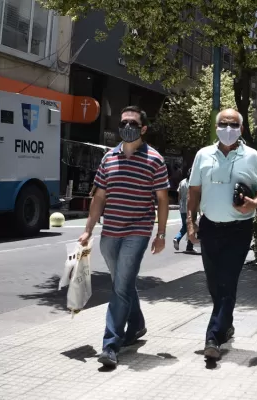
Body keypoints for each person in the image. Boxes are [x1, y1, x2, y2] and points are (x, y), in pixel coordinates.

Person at [79, 106, 170, 368]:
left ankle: (110, 344)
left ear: (143, 128)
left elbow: (162, 200)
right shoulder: (108, 158)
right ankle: (137, 325)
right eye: (123, 122)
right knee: (123, 282)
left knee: (119, 287)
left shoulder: (154, 159)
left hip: (138, 231)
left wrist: (160, 233)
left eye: (132, 122)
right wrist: (88, 229)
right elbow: (99, 197)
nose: (127, 126)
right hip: (110, 232)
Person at [186, 108, 257, 360]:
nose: (228, 129)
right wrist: (190, 223)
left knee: (227, 282)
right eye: (223, 124)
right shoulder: (203, 155)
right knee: (214, 283)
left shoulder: (252, 156)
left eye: (233, 125)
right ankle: (226, 323)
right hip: (210, 227)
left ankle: (212, 338)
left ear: (241, 129)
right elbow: (193, 191)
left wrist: (254, 203)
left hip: (239, 228)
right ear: (216, 126)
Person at [173, 168, 195, 252]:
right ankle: (189, 246)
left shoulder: (182, 182)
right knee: (191, 226)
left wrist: (180, 205)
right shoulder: (193, 183)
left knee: (185, 226)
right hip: (190, 208)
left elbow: (179, 196)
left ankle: (180, 240)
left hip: (182, 207)